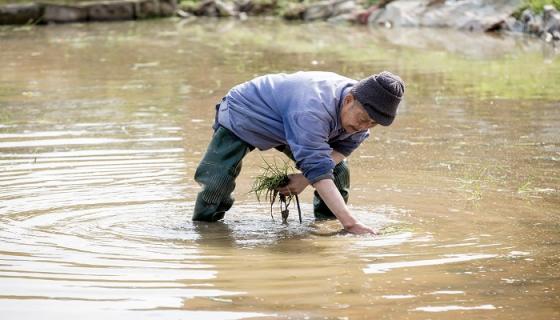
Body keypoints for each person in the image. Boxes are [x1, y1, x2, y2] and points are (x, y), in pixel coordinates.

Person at [192, 71, 405, 235]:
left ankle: (327, 224)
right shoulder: (313, 108)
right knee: (216, 179)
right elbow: (318, 168)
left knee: (338, 170)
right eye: (362, 118)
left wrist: (303, 179)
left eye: (373, 123)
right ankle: (207, 231)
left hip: (293, 124)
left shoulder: (360, 115)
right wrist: (352, 223)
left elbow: (343, 150)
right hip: (247, 113)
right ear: (348, 100)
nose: (364, 126)